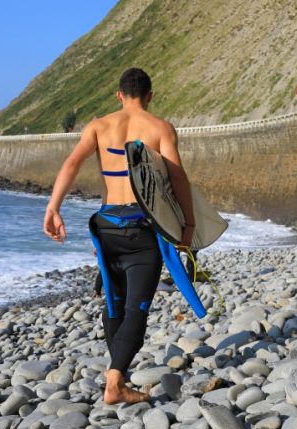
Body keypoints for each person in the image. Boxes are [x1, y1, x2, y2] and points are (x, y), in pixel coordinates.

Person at [43, 67, 196, 405]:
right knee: (136, 309)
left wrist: (53, 208)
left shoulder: (98, 126)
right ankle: (114, 384)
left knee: (114, 301)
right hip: (143, 231)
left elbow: (70, 165)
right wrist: (188, 226)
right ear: (150, 95)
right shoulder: (160, 129)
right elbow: (178, 179)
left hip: (107, 226)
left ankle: (119, 376)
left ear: (119, 95)